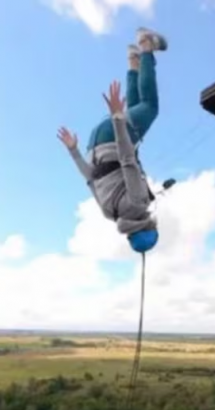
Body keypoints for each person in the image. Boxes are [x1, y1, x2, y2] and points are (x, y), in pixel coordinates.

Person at [58, 27, 168, 254]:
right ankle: (133, 60)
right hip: (93, 143)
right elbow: (90, 178)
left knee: (150, 107)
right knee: (137, 110)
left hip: (112, 136)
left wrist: (118, 118)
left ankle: (146, 46)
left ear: (148, 226)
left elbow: (128, 160)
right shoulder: (110, 214)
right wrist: (73, 150)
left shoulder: (138, 204)